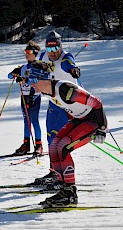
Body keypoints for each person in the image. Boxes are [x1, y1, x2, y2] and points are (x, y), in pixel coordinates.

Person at [25, 65, 107, 206]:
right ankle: (62, 188)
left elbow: (97, 103)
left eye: (33, 80)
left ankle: (70, 194)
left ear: (44, 79)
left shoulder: (66, 90)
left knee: (63, 147)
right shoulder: (46, 90)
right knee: (53, 147)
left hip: (93, 121)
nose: (30, 84)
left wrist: (102, 128)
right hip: (78, 120)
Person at [33, 31, 81, 186]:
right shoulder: (43, 57)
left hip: (68, 104)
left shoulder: (66, 57)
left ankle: (60, 174)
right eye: (49, 49)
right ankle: (54, 171)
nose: (52, 53)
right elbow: (37, 70)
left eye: (55, 49)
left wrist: (73, 70)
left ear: (61, 47)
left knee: (59, 139)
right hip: (54, 101)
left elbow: (70, 65)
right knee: (50, 137)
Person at [8, 41, 43, 155]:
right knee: (26, 121)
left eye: (28, 52)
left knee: (34, 120)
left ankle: (38, 145)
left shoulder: (39, 66)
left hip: (34, 96)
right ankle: (26, 144)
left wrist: (24, 79)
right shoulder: (22, 67)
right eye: (25, 52)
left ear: (35, 53)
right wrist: (14, 74)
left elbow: (36, 80)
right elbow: (9, 75)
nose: (26, 54)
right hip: (24, 96)